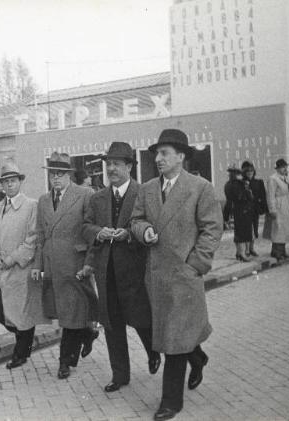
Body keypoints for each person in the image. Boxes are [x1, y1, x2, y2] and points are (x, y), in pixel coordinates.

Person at [129, 129, 223, 421]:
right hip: (155, 277)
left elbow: (212, 228)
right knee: (174, 334)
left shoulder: (200, 187)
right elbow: (136, 220)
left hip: (183, 276)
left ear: (181, 156)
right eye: (156, 154)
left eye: (164, 153)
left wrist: (196, 263)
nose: (158, 159)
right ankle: (198, 358)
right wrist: (143, 231)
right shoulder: (146, 189)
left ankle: (171, 401)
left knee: (173, 338)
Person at [82, 142, 160, 393]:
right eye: (108, 164)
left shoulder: (144, 192)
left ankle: (153, 352)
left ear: (129, 166)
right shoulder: (98, 198)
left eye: (117, 164)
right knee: (112, 325)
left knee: (141, 319)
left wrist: (129, 233)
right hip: (107, 273)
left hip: (136, 270)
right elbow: (85, 227)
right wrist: (99, 232)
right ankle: (120, 375)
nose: (111, 169)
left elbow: (151, 224)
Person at [31, 152, 98, 380]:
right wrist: (38, 265)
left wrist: (90, 263)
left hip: (75, 265)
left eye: (60, 174)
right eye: (52, 175)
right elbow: (40, 234)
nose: (56, 179)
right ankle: (87, 333)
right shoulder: (43, 200)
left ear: (69, 175)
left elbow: (92, 233)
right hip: (52, 266)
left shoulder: (85, 195)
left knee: (71, 314)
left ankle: (64, 362)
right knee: (66, 314)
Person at [0, 163, 50, 370]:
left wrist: (13, 258)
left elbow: (33, 238)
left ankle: (21, 353)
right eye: (6, 181)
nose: (9, 184)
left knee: (21, 313)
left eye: (13, 180)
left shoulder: (31, 206)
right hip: (1, 268)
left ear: (20, 182)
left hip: (21, 268)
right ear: (2, 185)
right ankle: (24, 345)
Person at [264, 159, 289, 260]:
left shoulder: (285, 178)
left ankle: (282, 251)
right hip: (278, 206)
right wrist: (272, 209)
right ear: (278, 168)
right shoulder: (273, 179)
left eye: (286, 167)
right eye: (283, 167)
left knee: (285, 229)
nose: (285, 169)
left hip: (286, 205)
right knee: (278, 228)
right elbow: (270, 195)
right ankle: (276, 252)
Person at [227, 167, 254, 262]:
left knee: (238, 232)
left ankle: (238, 252)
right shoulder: (240, 184)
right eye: (239, 174)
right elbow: (245, 197)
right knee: (244, 232)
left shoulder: (227, 184)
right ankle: (242, 254)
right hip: (243, 210)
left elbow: (229, 199)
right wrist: (247, 190)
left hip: (235, 210)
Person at [241, 161, 267, 256]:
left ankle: (252, 248)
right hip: (245, 209)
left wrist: (263, 207)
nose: (250, 173)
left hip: (255, 208)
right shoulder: (241, 183)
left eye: (251, 171)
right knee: (248, 229)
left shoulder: (258, 182)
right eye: (248, 172)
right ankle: (247, 250)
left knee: (254, 228)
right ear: (245, 173)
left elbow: (263, 195)